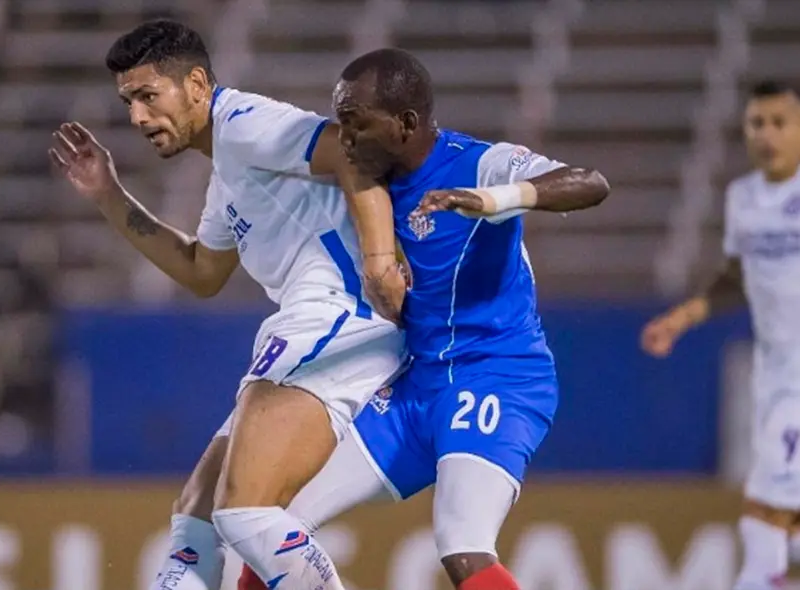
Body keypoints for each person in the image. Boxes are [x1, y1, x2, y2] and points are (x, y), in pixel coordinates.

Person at [48, 20, 408, 590]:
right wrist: (109, 195)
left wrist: (380, 262)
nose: (137, 117)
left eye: (148, 96)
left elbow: (348, 149)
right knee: (195, 517)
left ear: (195, 84)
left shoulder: (243, 123)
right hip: (317, 326)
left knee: (241, 513)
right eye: (128, 102)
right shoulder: (228, 175)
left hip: (337, 318)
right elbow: (201, 271)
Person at [238, 47, 610, 590]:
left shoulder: (477, 163)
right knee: (272, 522)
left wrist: (496, 200)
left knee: (462, 544)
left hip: (498, 376)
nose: (343, 139)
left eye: (355, 123)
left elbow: (590, 182)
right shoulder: (367, 180)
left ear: (406, 124)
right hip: (418, 384)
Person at [641, 80, 800, 590]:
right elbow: (736, 277)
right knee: (780, 507)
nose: (767, 134)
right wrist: (682, 318)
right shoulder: (744, 199)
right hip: (776, 372)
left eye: (780, 122)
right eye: (758, 123)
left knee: (767, 504)